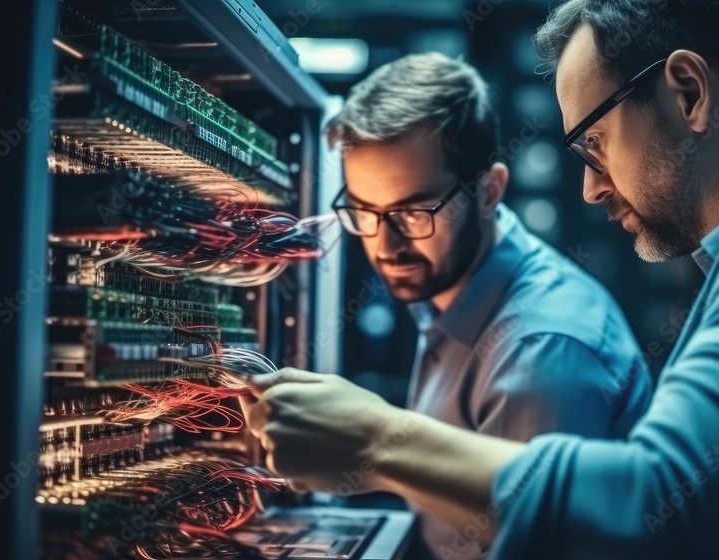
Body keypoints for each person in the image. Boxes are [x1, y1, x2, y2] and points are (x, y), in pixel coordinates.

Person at [241, 2, 719, 559]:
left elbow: (658, 508)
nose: (590, 188)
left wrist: (376, 440)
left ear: (688, 92)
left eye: (593, 142)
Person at [267, 52, 652, 559]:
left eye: (413, 211)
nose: (386, 245)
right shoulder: (451, 288)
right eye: (363, 211)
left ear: (489, 191)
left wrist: (373, 447)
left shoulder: (540, 351)